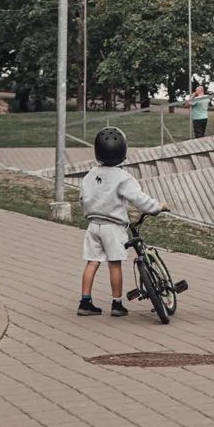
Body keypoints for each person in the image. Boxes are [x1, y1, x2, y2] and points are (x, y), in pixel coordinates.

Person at [77, 126, 168, 317]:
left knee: (91, 263)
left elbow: (82, 199)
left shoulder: (89, 176)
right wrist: (156, 207)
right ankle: (117, 304)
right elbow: (139, 199)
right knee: (114, 264)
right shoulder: (123, 177)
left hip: (93, 226)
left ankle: (85, 302)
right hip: (113, 227)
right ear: (123, 152)